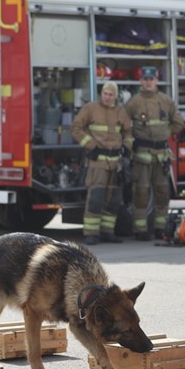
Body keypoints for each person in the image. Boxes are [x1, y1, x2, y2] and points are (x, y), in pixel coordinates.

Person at [124, 66, 185, 241]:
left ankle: (161, 228)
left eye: (152, 79)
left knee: (162, 193)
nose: (149, 82)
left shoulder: (166, 101)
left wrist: (166, 133)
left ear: (157, 80)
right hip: (141, 155)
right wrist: (130, 142)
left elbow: (179, 123)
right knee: (141, 193)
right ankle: (140, 230)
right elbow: (123, 124)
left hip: (161, 155)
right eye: (146, 79)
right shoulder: (134, 102)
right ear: (141, 81)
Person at [70, 81, 133, 246]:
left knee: (113, 200)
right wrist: (91, 145)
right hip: (97, 162)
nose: (107, 97)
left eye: (110, 95)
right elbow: (76, 128)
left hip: (116, 164)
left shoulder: (120, 112)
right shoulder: (90, 109)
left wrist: (127, 147)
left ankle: (107, 232)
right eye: (105, 94)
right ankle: (91, 233)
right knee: (95, 198)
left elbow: (128, 132)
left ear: (115, 96)